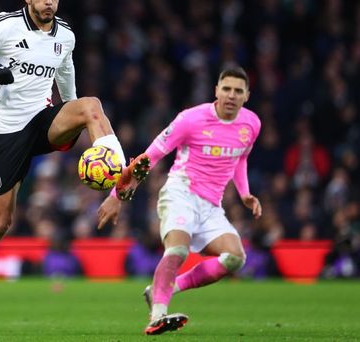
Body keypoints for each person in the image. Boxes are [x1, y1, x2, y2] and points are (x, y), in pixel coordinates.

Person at [0, 0, 150, 335]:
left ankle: (119, 171)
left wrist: (77, 117)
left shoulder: (65, 35)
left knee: (91, 104)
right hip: (4, 130)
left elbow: (66, 76)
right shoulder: (6, 25)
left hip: (42, 119)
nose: (49, 1)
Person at [97, 66, 262, 335]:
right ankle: (157, 316)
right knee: (178, 250)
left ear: (247, 95)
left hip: (211, 205)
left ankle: (166, 288)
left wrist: (244, 193)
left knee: (235, 258)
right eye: (227, 89)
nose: (231, 95)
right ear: (216, 91)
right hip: (180, 193)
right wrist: (116, 196)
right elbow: (149, 158)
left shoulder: (251, 124)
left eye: (238, 91)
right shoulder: (191, 120)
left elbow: (240, 158)